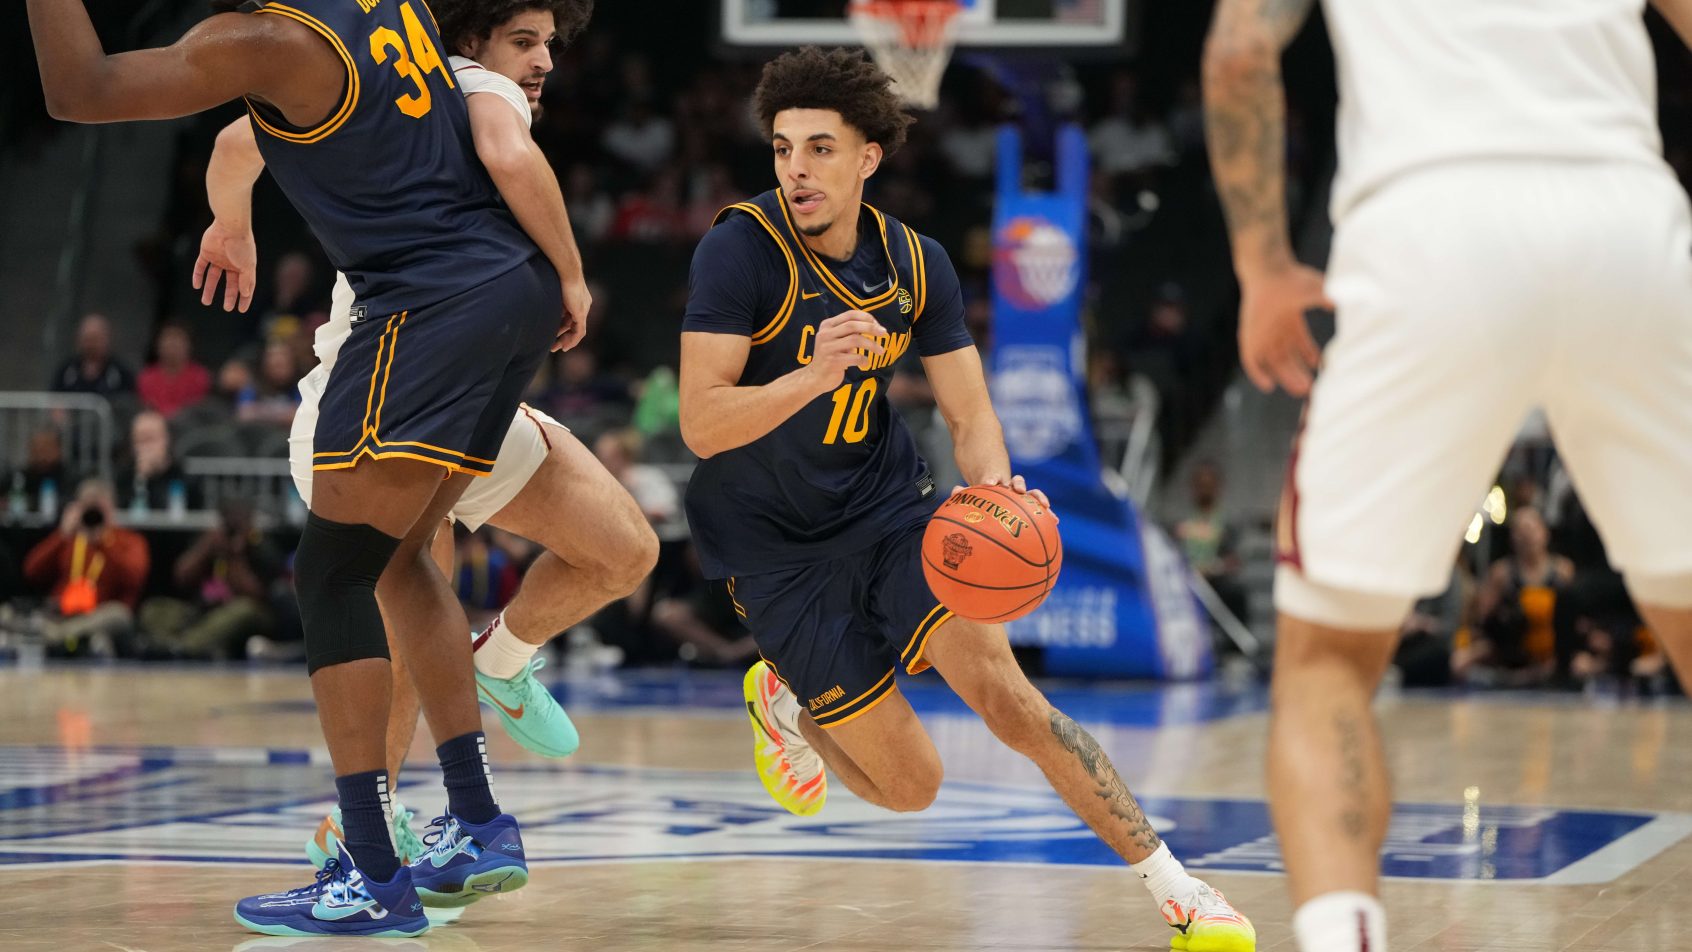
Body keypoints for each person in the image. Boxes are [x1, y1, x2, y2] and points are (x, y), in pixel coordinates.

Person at [28, 0, 592, 934]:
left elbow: (81, 90)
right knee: (404, 557)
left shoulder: (265, 40)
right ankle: (480, 820)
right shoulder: (393, 5)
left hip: (425, 307)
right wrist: (234, 220)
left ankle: (371, 870)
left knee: (330, 575)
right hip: (509, 290)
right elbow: (243, 143)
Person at [680, 48, 1255, 952]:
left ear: (870, 156)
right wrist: (812, 371)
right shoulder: (740, 250)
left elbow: (972, 413)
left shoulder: (918, 264)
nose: (796, 168)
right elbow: (702, 424)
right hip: (775, 548)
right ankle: (785, 698)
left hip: (888, 511)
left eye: (821, 148)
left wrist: (995, 489)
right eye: (784, 147)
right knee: (912, 787)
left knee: (1011, 700)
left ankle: (1181, 893)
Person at [1202, 1, 1692, 950]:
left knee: (1328, 664)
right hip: (1628, 222)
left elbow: (1238, 49)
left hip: (1432, 225)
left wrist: (1263, 268)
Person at [193, 0, 657, 894]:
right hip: (368, 397)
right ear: (471, 41)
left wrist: (233, 222)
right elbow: (233, 144)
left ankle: (504, 664)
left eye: (551, 45)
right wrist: (571, 277)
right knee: (405, 598)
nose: (545, 62)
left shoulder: (397, 104)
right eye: (526, 42)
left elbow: (232, 148)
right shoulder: (462, 93)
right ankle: (389, 827)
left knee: (625, 549)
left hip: (462, 392)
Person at [22, 478, 149, 656]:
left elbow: (134, 577)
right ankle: (64, 634)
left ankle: (58, 636)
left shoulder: (129, 540)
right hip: (64, 612)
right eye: (89, 507)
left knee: (119, 615)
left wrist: (105, 542)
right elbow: (31, 571)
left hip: (100, 614)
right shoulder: (70, 538)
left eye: (99, 508)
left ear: (111, 508)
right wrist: (62, 535)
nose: (93, 515)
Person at [49, 313, 135, 398]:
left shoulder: (121, 373)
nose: (91, 345)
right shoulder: (66, 371)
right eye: (87, 339)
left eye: (95, 339)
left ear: (107, 339)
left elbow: (128, 404)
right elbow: (54, 400)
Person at [137, 322, 211, 419]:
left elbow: (198, 411)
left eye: (178, 340)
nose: (172, 344)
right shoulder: (146, 377)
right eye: (168, 339)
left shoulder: (200, 377)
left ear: (189, 345)